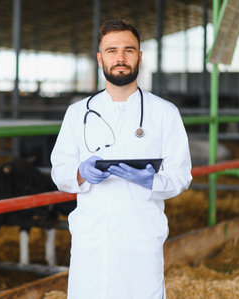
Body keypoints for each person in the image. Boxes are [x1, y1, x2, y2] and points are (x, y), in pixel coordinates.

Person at [50, 19, 192, 299]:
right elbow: (59, 170)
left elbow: (181, 174)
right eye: (112, 50)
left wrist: (152, 179)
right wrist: (80, 173)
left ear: (140, 57)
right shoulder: (78, 113)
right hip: (92, 240)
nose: (120, 58)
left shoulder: (165, 113)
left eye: (129, 50)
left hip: (141, 237)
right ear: (100, 58)